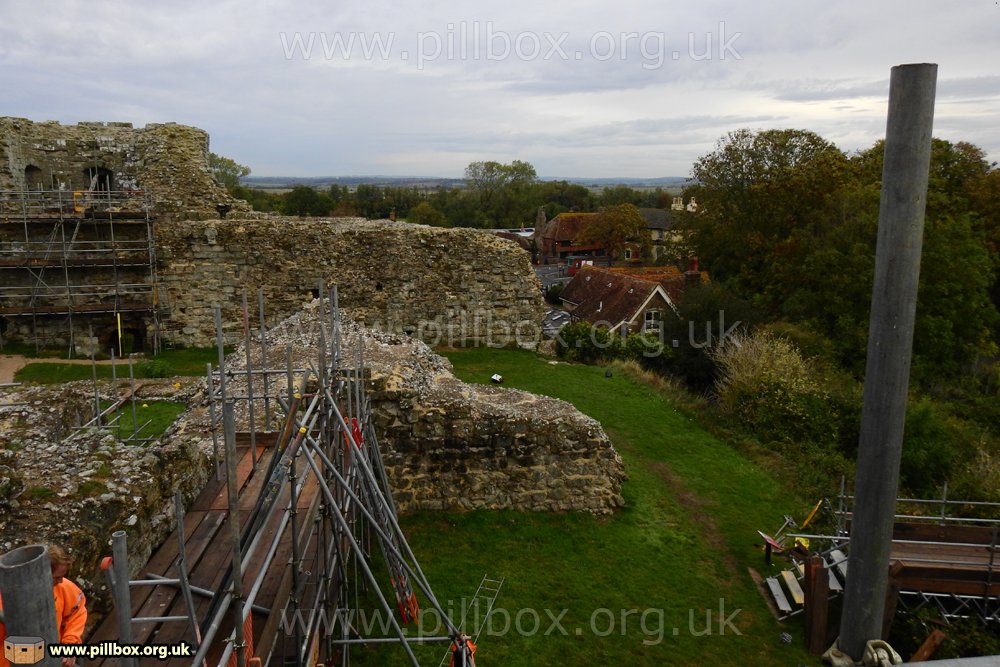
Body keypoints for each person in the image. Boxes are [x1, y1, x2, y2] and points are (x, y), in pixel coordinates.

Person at [0, 544, 87, 667]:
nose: (61, 581)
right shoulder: (5, 600)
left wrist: (69, 644)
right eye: (57, 577)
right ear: (43, 574)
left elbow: (77, 611)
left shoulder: (63, 588)